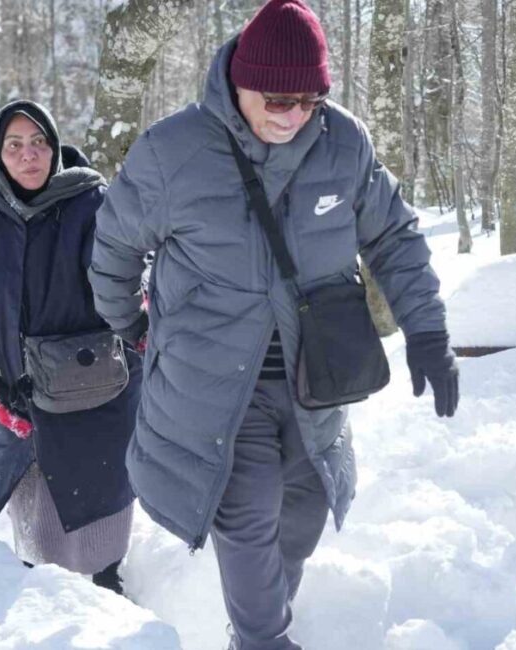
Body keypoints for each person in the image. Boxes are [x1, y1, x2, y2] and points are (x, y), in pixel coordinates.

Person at [88, 1, 459, 647]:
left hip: (315, 374)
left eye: (308, 101)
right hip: (214, 383)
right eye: (278, 100)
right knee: (248, 510)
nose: (293, 116)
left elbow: (394, 237)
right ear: (239, 83)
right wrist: (124, 320)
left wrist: (426, 330)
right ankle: (263, 638)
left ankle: (256, 627)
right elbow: (114, 244)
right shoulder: (174, 151)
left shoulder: (343, 144)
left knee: (305, 511)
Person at [0, 100, 141, 594]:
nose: (29, 156)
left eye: (39, 143)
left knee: (99, 538)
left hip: (97, 400)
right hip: (16, 407)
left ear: (53, 147)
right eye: (14, 145)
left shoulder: (94, 205)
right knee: (37, 549)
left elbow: (131, 278)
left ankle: (110, 604)